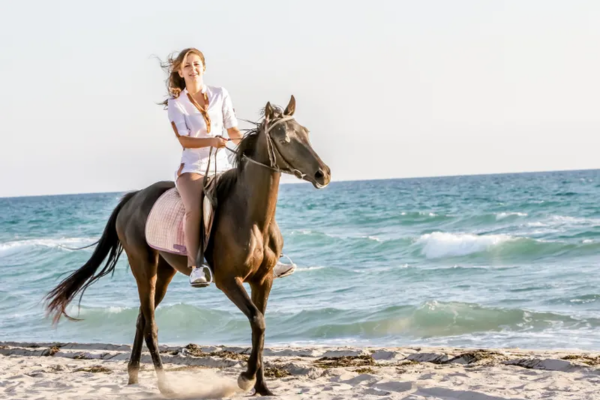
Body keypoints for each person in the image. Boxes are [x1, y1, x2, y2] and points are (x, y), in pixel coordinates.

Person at [162, 48, 295, 287]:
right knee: (195, 209)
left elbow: (233, 131)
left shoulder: (220, 94)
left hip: (223, 167)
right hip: (193, 168)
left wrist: (251, 146)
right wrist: (211, 140)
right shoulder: (177, 104)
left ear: (203, 67)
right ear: (180, 72)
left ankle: (273, 256)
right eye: (187, 66)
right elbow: (184, 140)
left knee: (257, 199)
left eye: (196, 64)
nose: (193, 69)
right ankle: (196, 266)